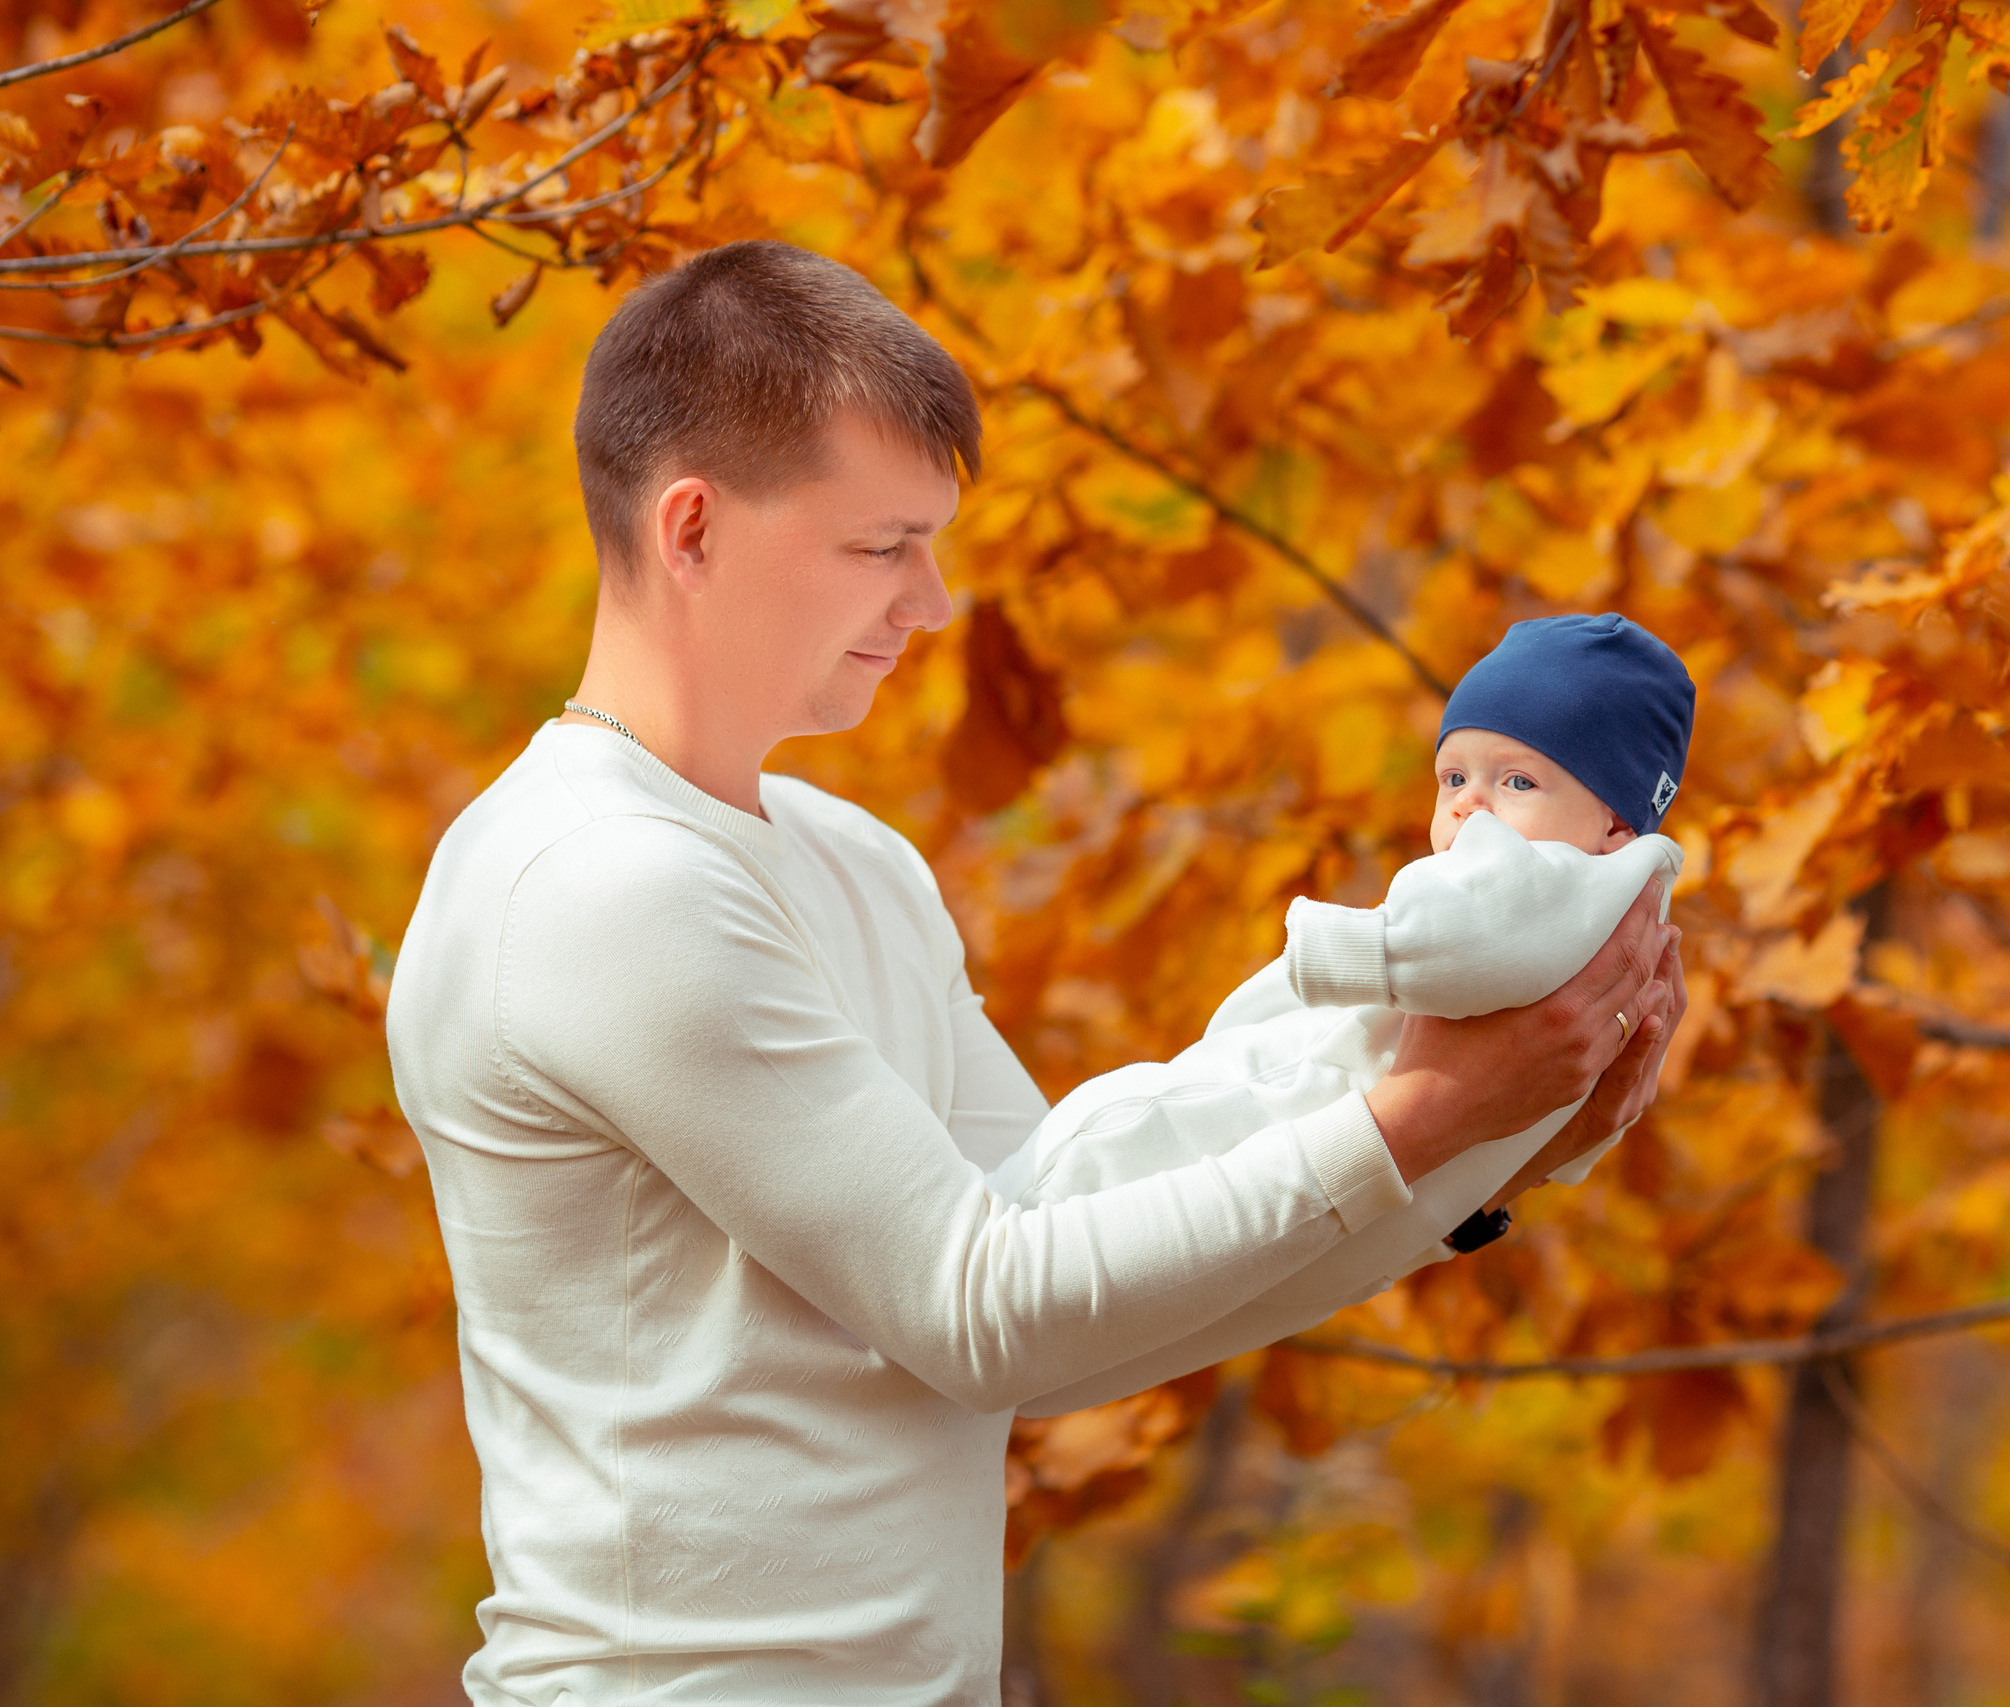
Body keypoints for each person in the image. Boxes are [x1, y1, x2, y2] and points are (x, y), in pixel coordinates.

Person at [384, 239, 1683, 1705]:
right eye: (881, 545)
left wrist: (1469, 1146)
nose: (931, 601)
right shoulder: (597, 882)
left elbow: (1060, 1283)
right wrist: (1428, 1122)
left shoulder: (849, 858)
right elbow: (985, 1300)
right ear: (692, 528)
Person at [1006, 615, 1697, 1416]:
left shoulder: (1539, 879)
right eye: (1452, 780)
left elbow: (1462, 940)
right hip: (1392, 1183)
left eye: (1517, 782)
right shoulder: (1618, 922)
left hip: (1302, 1111)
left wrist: (1339, 948)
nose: (1472, 809)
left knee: (1114, 1159)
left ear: (1615, 821)